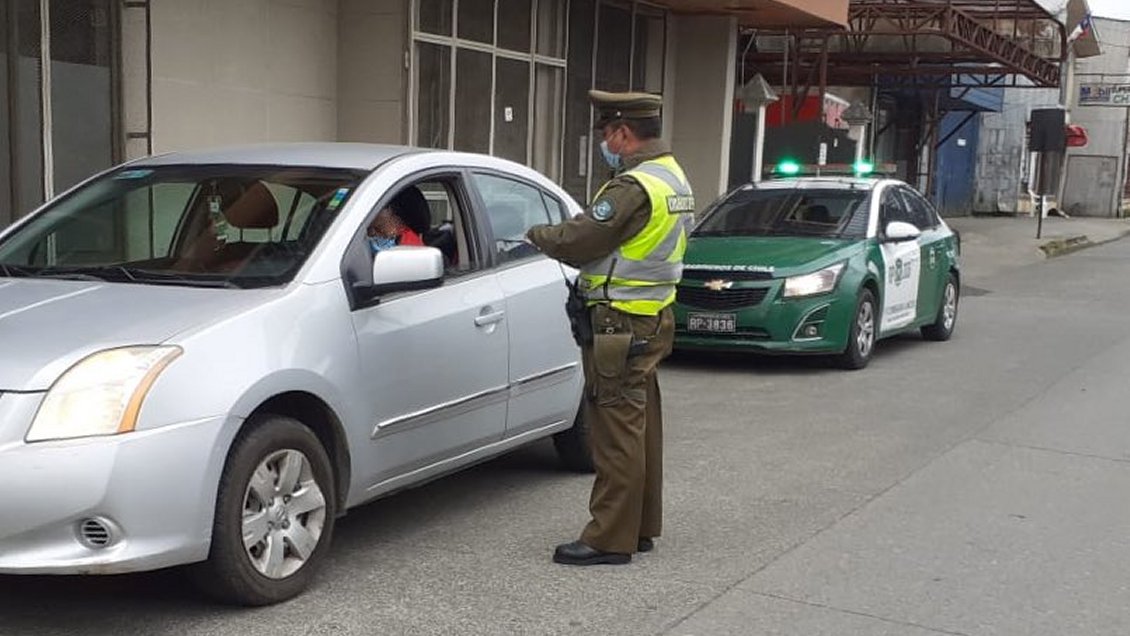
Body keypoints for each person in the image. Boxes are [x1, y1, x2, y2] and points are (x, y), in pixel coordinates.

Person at [526, 90, 695, 566]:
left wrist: (532, 233)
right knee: (640, 427)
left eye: (606, 133)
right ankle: (639, 526)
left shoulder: (633, 186)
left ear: (623, 132)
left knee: (615, 430)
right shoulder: (673, 178)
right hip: (652, 315)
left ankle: (608, 539)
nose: (603, 142)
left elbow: (581, 240)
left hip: (620, 320)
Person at [368, 188, 428, 253]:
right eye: (369, 229)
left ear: (397, 221)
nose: (372, 234)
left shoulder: (410, 248)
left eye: (378, 229)